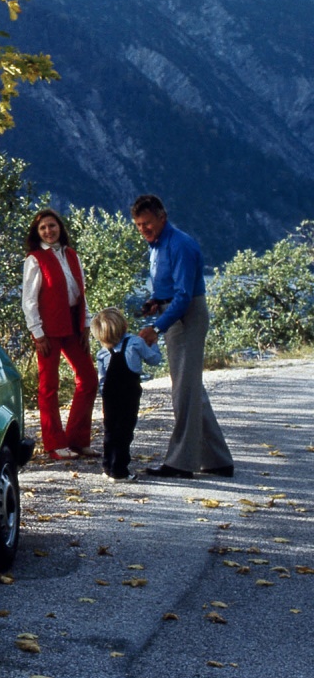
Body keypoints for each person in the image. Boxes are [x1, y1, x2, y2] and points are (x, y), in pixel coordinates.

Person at [130, 195, 234, 479]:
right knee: (191, 389)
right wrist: (155, 301)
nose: (143, 229)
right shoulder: (157, 245)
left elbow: (185, 296)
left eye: (147, 223)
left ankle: (181, 463)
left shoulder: (181, 245)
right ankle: (218, 461)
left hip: (187, 317)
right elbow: (171, 289)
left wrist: (157, 327)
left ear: (162, 217)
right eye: (139, 225)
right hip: (175, 314)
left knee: (184, 393)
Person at [22, 208, 99, 461]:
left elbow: (81, 292)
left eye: (52, 226)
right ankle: (54, 444)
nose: (48, 231)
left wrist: (86, 325)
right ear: (38, 232)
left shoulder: (72, 255)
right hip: (48, 330)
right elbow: (29, 301)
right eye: (43, 228)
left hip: (74, 325)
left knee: (88, 379)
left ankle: (77, 439)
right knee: (49, 386)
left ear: (60, 228)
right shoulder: (35, 260)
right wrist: (38, 334)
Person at [90, 307, 162, 481]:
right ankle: (120, 470)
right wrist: (155, 344)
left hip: (109, 393)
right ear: (124, 324)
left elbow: (102, 379)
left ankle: (107, 465)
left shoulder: (102, 353)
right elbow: (154, 360)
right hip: (129, 391)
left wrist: (102, 393)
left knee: (110, 429)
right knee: (125, 430)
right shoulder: (136, 343)